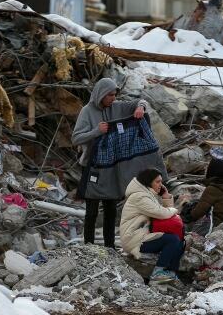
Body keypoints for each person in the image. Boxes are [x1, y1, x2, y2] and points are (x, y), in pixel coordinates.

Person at [72, 78, 147, 248]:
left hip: (112, 166)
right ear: (101, 95)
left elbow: (140, 101)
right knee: (91, 210)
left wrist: (140, 108)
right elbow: (76, 138)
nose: (113, 98)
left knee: (111, 208)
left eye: (115, 95)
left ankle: (110, 248)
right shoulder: (87, 111)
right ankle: (89, 247)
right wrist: (96, 131)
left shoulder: (116, 107)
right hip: (93, 166)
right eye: (110, 95)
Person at [120, 168, 185, 285]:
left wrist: (165, 196)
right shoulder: (140, 197)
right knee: (172, 240)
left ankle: (171, 272)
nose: (161, 184)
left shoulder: (148, 194)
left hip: (143, 235)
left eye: (161, 181)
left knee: (180, 239)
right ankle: (158, 273)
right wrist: (174, 209)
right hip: (134, 239)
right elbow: (162, 213)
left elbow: (164, 214)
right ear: (148, 181)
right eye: (158, 182)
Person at [187, 158, 223, 226]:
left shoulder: (213, 189)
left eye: (208, 168)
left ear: (214, 171)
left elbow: (196, 213)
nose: (206, 170)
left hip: (215, 225)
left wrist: (185, 207)